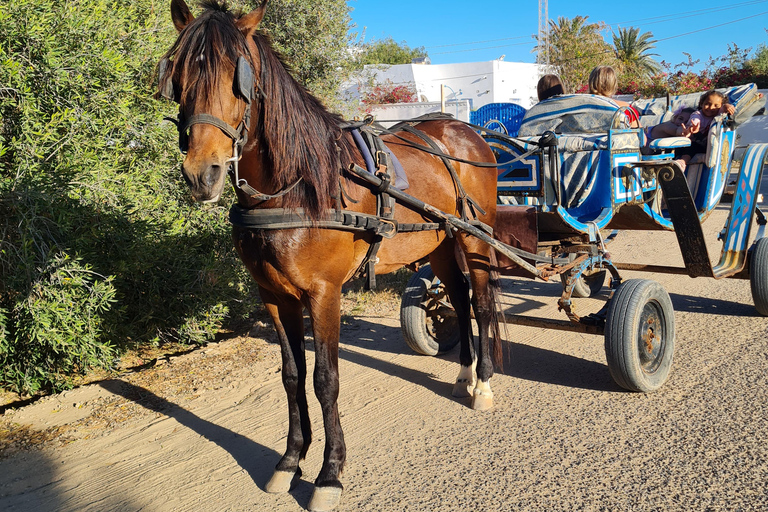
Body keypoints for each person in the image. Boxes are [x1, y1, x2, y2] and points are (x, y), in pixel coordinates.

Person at [674, 90, 735, 169]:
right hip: (690, 143)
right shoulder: (697, 114)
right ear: (701, 104)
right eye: (707, 104)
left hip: (704, 146)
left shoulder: (718, 114)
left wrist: (727, 106)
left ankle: (682, 162)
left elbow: (724, 108)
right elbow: (695, 120)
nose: (711, 107)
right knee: (688, 146)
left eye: (716, 105)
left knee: (693, 147)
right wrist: (694, 127)